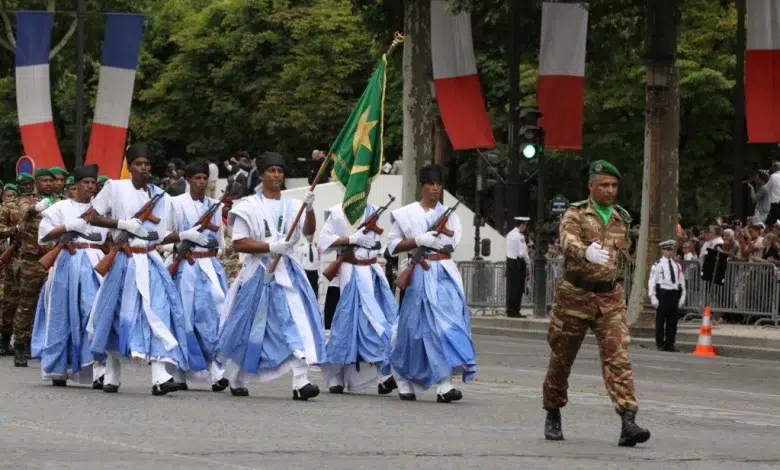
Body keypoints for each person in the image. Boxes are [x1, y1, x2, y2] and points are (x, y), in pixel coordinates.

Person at [542, 160, 650, 447]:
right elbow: (566, 240)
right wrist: (584, 252)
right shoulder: (575, 213)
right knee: (562, 359)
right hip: (574, 297)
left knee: (618, 358)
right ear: (591, 186)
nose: (610, 190)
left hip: (609, 299)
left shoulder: (621, 218)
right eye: (604, 185)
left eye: (614, 185)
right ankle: (552, 410)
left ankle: (628, 419)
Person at [215, 151, 325, 400]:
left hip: (289, 272)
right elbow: (240, 243)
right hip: (259, 273)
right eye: (271, 171)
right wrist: (270, 247)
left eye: (279, 171)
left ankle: (301, 380)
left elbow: (308, 232)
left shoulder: (294, 205)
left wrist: (309, 210)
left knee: (297, 321)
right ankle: (237, 375)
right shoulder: (248, 206)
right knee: (249, 328)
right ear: (262, 175)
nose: (276, 175)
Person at [86, 143, 190, 396]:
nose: (143, 168)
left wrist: (181, 235)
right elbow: (91, 216)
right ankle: (111, 374)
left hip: (150, 261)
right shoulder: (114, 187)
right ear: (129, 166)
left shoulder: (159, 195)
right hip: (124, 260)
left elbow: (162, 234)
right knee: (116, 316)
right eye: (138, 164)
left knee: (157, 313)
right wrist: (123, 224)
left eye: (147, 164)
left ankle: (160, 377)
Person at [386, 164, 476, 403]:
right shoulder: (406, 213)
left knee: (450, 324)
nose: (435, 189)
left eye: (439, 185)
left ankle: (444, 384)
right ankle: (404, 378)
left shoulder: (451, 215)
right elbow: (392, 246)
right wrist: (418, 240)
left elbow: (452, 244)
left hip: (444, 272)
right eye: (431, 184)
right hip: (420, 271)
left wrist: (442, 231)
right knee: (414, 330)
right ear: (422, 186)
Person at [32, 164, 108, 387]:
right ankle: (58, 369)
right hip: (68, 260)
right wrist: (68, 226)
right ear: (76, 185)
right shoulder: (61, 207)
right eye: (86, 183)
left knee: (92, 312)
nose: (90, 187)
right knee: (61, 314)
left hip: (93, 261)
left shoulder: (99, 209)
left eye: (93, 183)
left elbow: (106, 239)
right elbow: (44, 235)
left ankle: (95, 367)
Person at [318, 202, 399, 394]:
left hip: (369, 275)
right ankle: (335, 375)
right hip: (343, 275)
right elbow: (323, 242)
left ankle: (386, 374)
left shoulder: (372, 211)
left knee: (377, 326)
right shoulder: (337, 212)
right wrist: (350, 239)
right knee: (338, 329)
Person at [164, 161, 230, 392]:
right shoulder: (176, 203)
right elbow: (163, 236)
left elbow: (220, 241)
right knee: (185, 319)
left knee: (214, 315)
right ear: (188, 180)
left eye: (204, 178)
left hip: (209, 266)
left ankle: (215, 369)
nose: (201, 183)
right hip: (186, 266)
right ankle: (181, 372)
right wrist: (184, 235)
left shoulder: (215, 205)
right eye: (197, 178)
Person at [0, 169, 57, 367]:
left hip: (54, 260)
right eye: (44, 180)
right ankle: (20, 346)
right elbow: (23, 215)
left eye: (51, 180)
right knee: (25, 305)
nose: (49, 183)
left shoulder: (59, 201)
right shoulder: (25, 202)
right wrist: (34, 211)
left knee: (51, 305)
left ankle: (44, 344)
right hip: (31, 261)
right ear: (36, 183)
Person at [648, 240, 686, 352]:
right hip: (663, 292)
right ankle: (660, 343)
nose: (669, 252)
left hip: (673, 293)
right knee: (660, 320)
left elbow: (681, 282)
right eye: (667, 250)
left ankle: (670, 343)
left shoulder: (677, 266)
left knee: (672, 321)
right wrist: (653, 296)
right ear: (663, 250)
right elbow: (652, 281)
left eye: (671, 250)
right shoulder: (657, 265)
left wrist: (682, 296)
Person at [0, 180, 21, 356]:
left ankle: (21, 342)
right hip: (9, 257)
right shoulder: (7, 210)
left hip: (24, 259)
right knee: (9, 300)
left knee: (24, 300)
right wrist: (16, 229)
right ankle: (5, 338)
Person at [505, 216, 531, 318]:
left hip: (510, 261)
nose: (525, 228)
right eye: (525, 226)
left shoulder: (509, 234)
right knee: (518, 287)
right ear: (521, 225)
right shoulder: (520, 236)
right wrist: (528, 262)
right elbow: (522, 252)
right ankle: (515, 310)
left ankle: (510, 310)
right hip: (518, 263)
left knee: (511, 287)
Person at [295, 234, 321, 298]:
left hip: (315, 273)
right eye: (308, 234)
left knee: (315, 293)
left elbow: (320, 262)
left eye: (311, 234)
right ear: (306, 235)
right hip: (305, 272)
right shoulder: (301, 247)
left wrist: (320, 276)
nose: (310, 236)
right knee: (305, 293)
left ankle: (315, 307)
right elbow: (298, 263)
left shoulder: (317, 247)